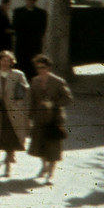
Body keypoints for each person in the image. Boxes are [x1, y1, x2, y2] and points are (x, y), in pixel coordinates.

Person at [25, 55, 71, 184]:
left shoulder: (58, 81)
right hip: (39, 119)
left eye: (43, 67)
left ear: (48, 67)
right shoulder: (34, 81)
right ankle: (44, 166)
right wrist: (29, 117)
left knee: (53, 148)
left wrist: (54, 104)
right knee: (40, 145)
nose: (40, 70)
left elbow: (68, 98)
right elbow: (32, 100)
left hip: (54, 119)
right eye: (38, 67)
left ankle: (50, 174)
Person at [0, 51, 29, 179]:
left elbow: (25, 91)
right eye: (2, 60)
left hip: (11, 112)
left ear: (12, 62)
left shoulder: (18, 74)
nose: (5, 63)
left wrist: (18, 104)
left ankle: (8, 167)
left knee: (10, 140)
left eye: (8, 60)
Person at [11, 0, 48, 78]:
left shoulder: (41, 13)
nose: (31, 1)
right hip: (21, 44)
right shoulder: (18, 12)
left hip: (34, 44)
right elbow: (15, 27)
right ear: (26, 0)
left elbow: (42, 29)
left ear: (35, 1)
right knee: (21, 65)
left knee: (34, 66)